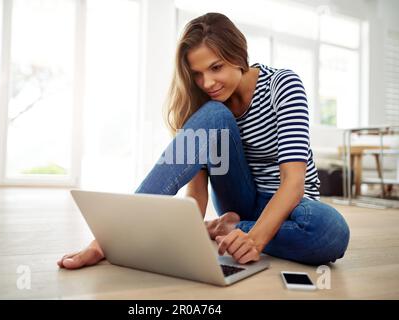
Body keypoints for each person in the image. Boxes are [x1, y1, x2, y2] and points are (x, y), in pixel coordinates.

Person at [58, 12, 350, 270]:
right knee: (214, 115)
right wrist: (179, 236)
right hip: (240, 199)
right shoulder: (206, 107)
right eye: (197, 74)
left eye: (215, 67)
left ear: (238, 55)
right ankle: (110, 238)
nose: (207, 83)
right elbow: (196, 194)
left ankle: (231, 229)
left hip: (292, 206)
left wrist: (254, 239)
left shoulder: (283, 86)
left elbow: (293, 183)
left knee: (332, 232)